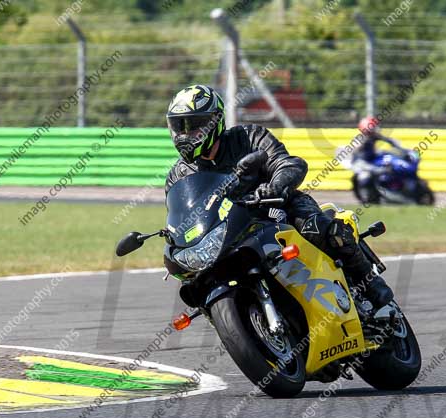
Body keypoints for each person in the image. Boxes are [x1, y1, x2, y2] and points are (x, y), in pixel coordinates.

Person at [164, 84, 393, 310]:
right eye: (179, 126)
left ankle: (371, 286)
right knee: (198, 279)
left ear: (214, 121)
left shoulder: (249, 136)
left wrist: (275, 186)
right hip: (229, 230)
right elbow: (180, 215)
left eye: (193, 126)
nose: (185, 135)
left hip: (276, 208)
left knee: (318, 228)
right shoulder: (178, 175)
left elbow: (287, 163)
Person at [350, 116, 409, 187]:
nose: (375, 128)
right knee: (376, 172)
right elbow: (354, 148)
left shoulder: (374, 135)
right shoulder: (360, 139)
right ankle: (370, 192)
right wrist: (360, 145)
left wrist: (398, 146)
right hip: (361, 163)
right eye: (373, 127)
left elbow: (388, 140)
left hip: (372, 158)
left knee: (387, 157)